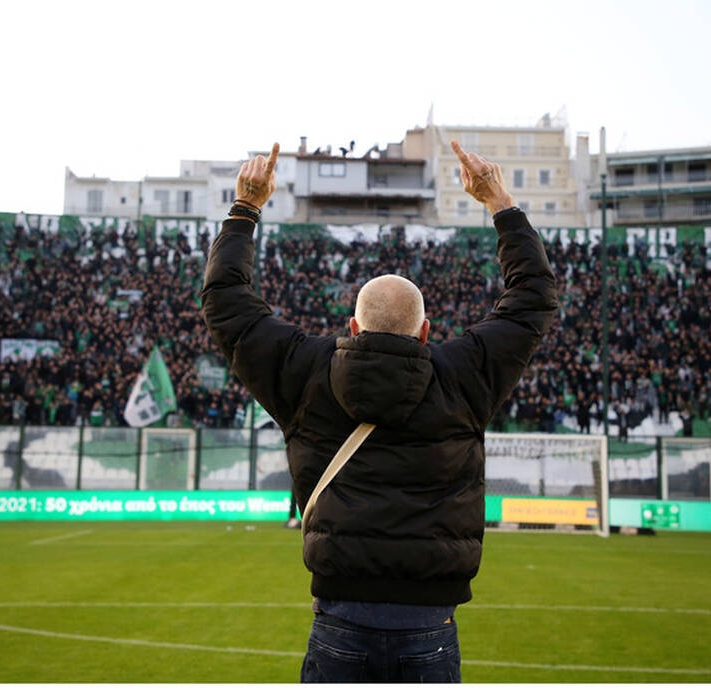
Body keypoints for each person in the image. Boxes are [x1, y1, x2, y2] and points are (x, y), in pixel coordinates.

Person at [201, 140, 557, 683]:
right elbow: (532, 297)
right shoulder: (462, 375)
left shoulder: (306, 373)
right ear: (425, 332)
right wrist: (498, 200)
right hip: (431, 629)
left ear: (353, 327)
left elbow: (226, 303)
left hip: (339, 622)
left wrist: (245, 207)